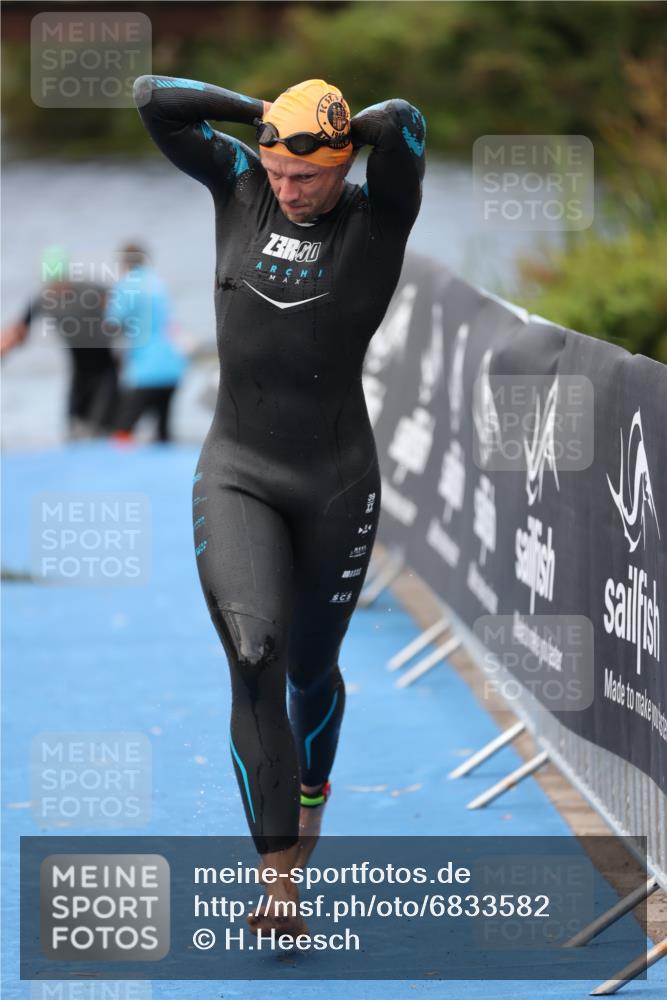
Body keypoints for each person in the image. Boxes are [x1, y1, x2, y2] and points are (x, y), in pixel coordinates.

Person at [134, 73, 425, 933]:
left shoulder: (378, 217)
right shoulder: (239, 183)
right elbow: (152, 97)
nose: (289, 190)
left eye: (307, 175)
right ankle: (277, 882)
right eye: (278, 173)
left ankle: (311, 793)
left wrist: (329, 123)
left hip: (334, 480)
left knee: (307, 670)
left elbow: (402, 123)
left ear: (342, 164)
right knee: (254, 652)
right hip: (239, 470)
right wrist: (262, 117)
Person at [1, 246, 119, 439]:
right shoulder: (42, 300)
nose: (57, 289)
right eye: (52, 283)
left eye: (60, 282)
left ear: (67, 277)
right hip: (80, 374)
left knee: (101, 430)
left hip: (105, 374)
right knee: (74, 431)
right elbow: (20, 330)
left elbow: (120, 302)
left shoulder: (88, 291)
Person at [105, 242, 186, 443]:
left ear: (124, 263)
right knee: (163, 435)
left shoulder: (127, 285)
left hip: (146, 371)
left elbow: (112, 323)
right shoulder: (157, 282)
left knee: (122, 432)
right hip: (173, 366)